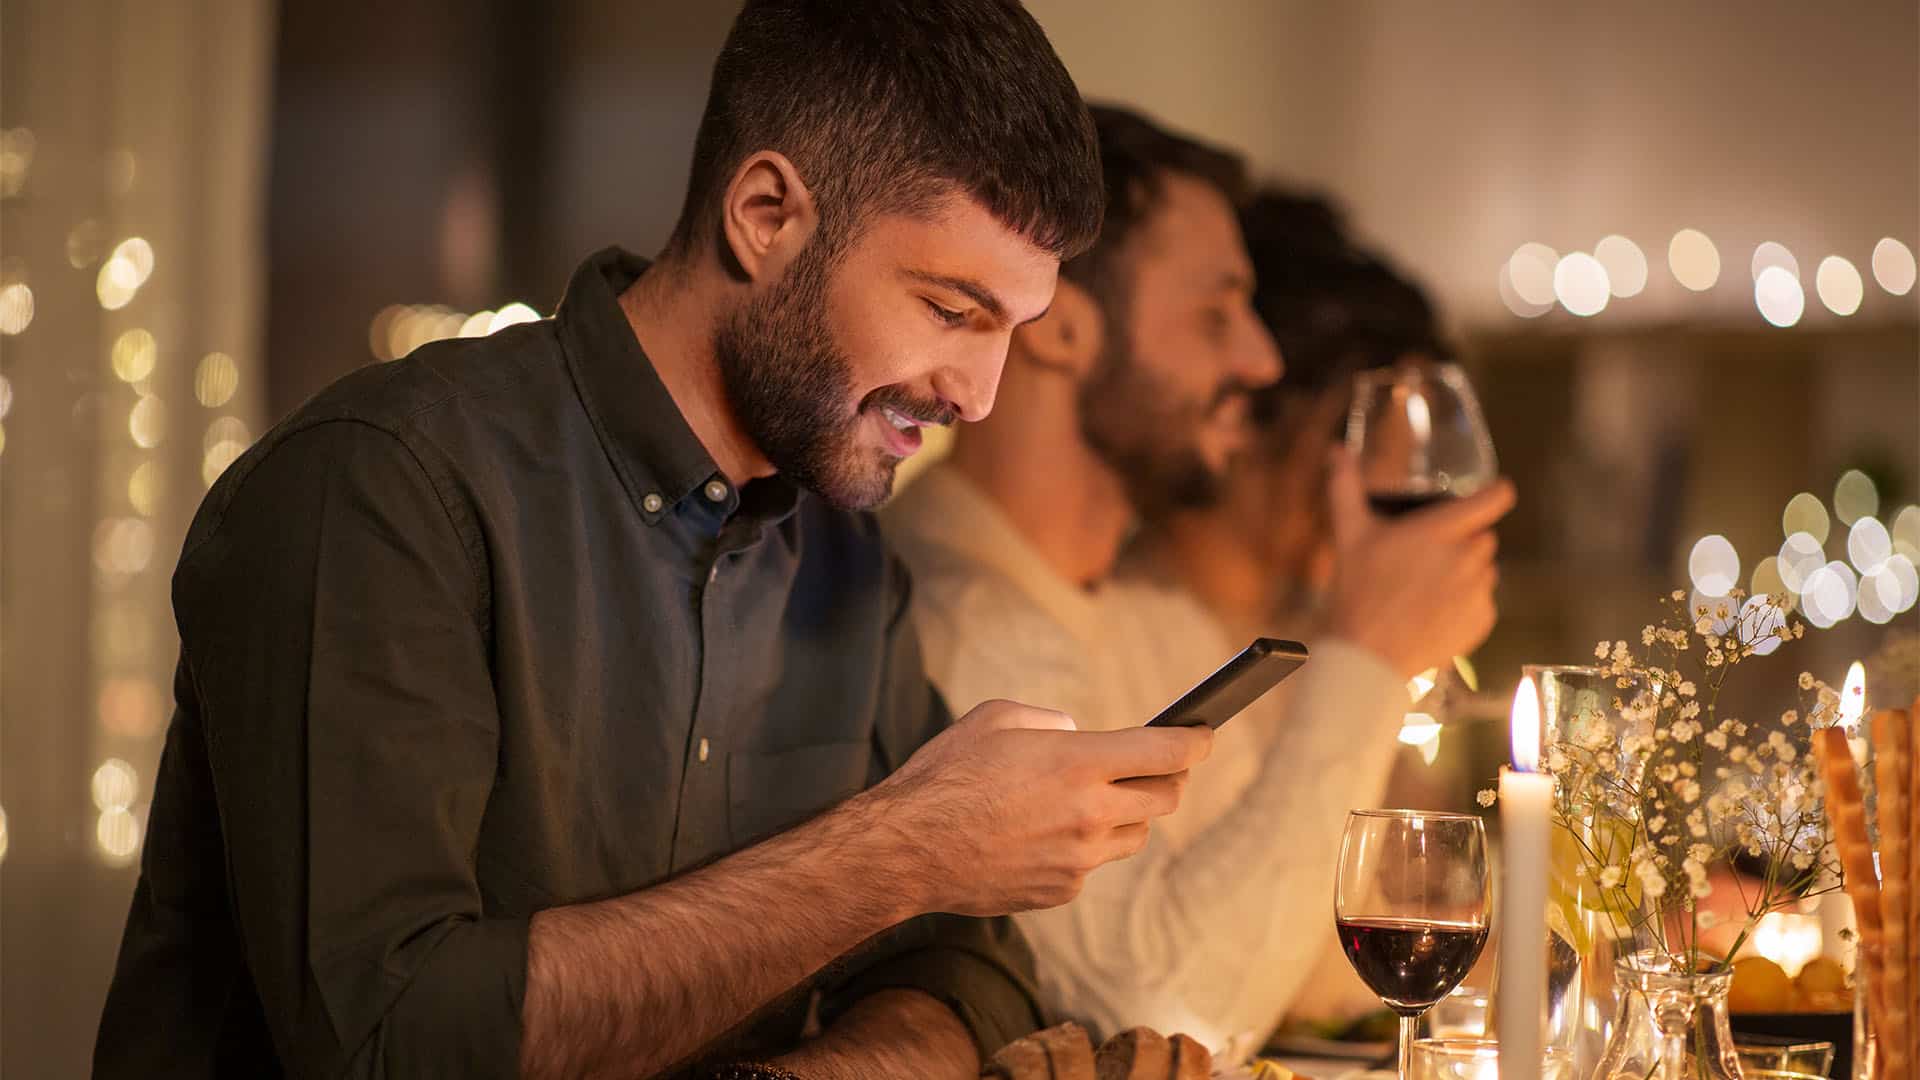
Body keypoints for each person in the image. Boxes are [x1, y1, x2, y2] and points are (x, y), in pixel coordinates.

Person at [92, 5, 1215, 1078]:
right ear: (766, 215)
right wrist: (901, 849)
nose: (980, 396)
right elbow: (393, 1042)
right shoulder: (386, 488)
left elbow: (970, 971)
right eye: (951, 310)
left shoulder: (845, 560)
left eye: (1014, 332)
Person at [883, 114, 1514, 1053]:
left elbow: (1305, 968)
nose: (1260, 365)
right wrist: (1368, 655)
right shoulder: (960, 622)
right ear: (1060, 331)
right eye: (1216, 315)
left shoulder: (1068, 603)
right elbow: (1169, 1015)